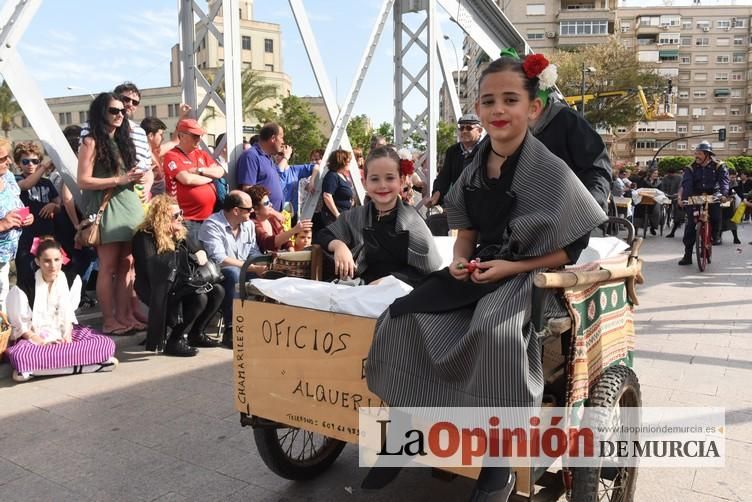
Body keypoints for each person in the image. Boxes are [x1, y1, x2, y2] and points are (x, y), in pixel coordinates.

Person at [363, 55, 607, 499]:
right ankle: (403, 435)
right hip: (481, 267)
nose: (499, 109)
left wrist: (512, 267)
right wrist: (459, 259)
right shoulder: (476, 163)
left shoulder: (552, 169)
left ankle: (498, 460)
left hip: (527, 271)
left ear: (532, 108)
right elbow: (466, 231)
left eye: (510, 99)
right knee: (401, 317)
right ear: (478, 106)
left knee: (495, 335)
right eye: (489, 100)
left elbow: (570, 247)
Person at [316, 146, 442, 286]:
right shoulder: (355, 216)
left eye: (389, 178)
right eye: (375, 179)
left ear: (401, 181)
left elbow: (428, 268)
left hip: (400, 295)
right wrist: (338, 245)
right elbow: (323, 235)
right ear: (364, 183)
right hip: (359, 289)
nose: (382, 185)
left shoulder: (412, 221)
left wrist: (389, 281)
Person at [77, 92, 145, 335]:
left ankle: (125, 316)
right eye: (113, 111)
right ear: (100, 113)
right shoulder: (91, 141)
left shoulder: (123, 140)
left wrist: (134, 177)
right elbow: (83, 180)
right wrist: (119, 179)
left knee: (128, 265)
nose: (119, 115)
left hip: (129, 205)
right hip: (109, 208)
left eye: (122, 111)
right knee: (107, 266)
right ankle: (109, 320)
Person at [5, 237, 117, 382]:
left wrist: (67, 336)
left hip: (65, 333)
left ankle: (35, 371)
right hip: (35, 338)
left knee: (106, 344)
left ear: (62, 260)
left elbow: (69, 319)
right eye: (47, 261)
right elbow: (23, 328)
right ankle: (87, 366)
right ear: (38, 261)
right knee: (22, 356)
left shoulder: (72, 281)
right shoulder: (23, 287)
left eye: (57, 260)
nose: (53, 265)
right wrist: (41, 342)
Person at [132, 195, 224, 356]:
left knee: (217, 291)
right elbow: (152, 266)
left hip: (180, 282)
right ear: (162, 218)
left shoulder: (179, 232)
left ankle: (197, 333)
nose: (180, 217)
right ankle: (175, 340)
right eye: (176, 216)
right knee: (199, 298)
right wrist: (179, 253)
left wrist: (198, 252)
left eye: (180, 213)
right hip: (156, 287)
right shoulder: (144, 236)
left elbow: (198, 251)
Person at [199, 191, 267, 348]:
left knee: (272, 274)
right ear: (236, 210)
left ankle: (264, 326)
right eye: (249, 209)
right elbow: (220, 259)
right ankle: (232, 329)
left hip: (245, 268)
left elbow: (252, 251)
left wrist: (265, 263)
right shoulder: (212, 225)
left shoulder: (248, 225)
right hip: (217, 273)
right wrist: (253, 267)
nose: (253, 211)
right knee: (233, 273)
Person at [162, 119, 225, 243]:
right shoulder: (172, 155)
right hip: (187, 219)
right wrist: (210, 178)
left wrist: (199, 170)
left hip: (209, 218)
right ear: (182, 136)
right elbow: (186, 179)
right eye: (195, 136)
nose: (198, 139)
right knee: (195, 258)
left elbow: (220, 172)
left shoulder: (202, 154)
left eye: (200, 136)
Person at [13, 141, 63, 294]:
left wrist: (53, 206)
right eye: (25, 161)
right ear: (18, 163)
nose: (30, 165)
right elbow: (26, 185)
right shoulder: (15, 179)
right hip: (25, 236)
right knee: (26, 273)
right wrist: (43, 168)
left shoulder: (47, 183)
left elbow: (59, 204)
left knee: (48, 273)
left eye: (35, 161)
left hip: (46, 235)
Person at [678, 141, 729, 265]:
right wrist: (686, 199)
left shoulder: (719, 166)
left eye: (699, 153)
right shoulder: (690, 167)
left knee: (716, 217)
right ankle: (687, 255)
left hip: (714, 195)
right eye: (695, 153)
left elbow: (724, 182)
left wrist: (724, 194)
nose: (696, 156)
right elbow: (687, 184)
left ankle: (714, 237)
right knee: (690, 226)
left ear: (707, 154)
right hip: (696, 196)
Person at [0, 137, 34, 309]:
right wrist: (2, 224)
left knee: (7, 297)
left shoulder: (8, 177)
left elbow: (17, 205)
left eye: (8, 157)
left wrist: (27, 217)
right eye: (2, 158)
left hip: (9, 253)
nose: (9, 161)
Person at [428, 113, 484, 207]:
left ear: (480, 130)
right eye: (461, 128)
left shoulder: (487, 148)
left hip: (482, 202)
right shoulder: (452, 151)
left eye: (469, 128)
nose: (464, 131)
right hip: (459, 202)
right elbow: (444, 176)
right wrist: (437, 193)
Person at [245, 184, 313, 253]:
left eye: (270, 201)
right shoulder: (252, 223)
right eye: (267, 203)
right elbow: (267, 243)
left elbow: (285, 241)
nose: (271, 205)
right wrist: (294, 230)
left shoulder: (272, 219)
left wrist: (292, 253)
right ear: (256, 209)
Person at [236, 123, 286, 211]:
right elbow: (248, 190)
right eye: (281, 137)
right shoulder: (251, 156)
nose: (283, 142)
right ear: (273, 138)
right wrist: (270, 212)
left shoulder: (269, 157)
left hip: (273, 217)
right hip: (261, 219)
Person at [315, 149, 354, 232]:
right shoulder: (332, 176)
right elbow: (327, 196)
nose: (349, 162)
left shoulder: (342, 176)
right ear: (341, 161)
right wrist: (337, 215)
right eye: (348, 160)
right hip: (332, 218)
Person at [140, 117, 168, 197]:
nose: (163, 138)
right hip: (150, 204)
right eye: (161, 135)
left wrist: (183, 116)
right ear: (151, 135)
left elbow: (174, 142)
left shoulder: (155, 152)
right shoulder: (142, 157)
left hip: (159, 202)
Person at [661, 167, 685, 238]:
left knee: (677, 213)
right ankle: (666, 220)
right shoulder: (665, 178)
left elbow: (680, 187)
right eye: (669, 174)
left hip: (677, 196)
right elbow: (663, 187)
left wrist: (678, 194)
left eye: (672, 174)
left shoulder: (680, 178)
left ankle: (677, 223)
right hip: (667, 195)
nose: (671, 175)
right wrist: (665, 193)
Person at [636, 169, 661, 236]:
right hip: (643, 199)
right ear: (650, 174)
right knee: (638, 209)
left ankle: (653, 227)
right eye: (654, 173)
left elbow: (661, 191)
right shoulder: (644, 180)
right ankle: (637, 226)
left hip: (654, 200)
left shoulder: (659, 182)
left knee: (656, 212)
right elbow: (639, 189)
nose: (656, 175)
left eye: (657, 173)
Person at [721, 168, 742, 244]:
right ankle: (718, 237)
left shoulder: (734, 183)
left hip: (729, 203)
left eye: (734, 177)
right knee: (720, 219)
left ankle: (735, 238)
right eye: (732, 177)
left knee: (731, 219)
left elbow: (738, 192)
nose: (733, 179)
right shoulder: (722, 181)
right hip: (720, 201)